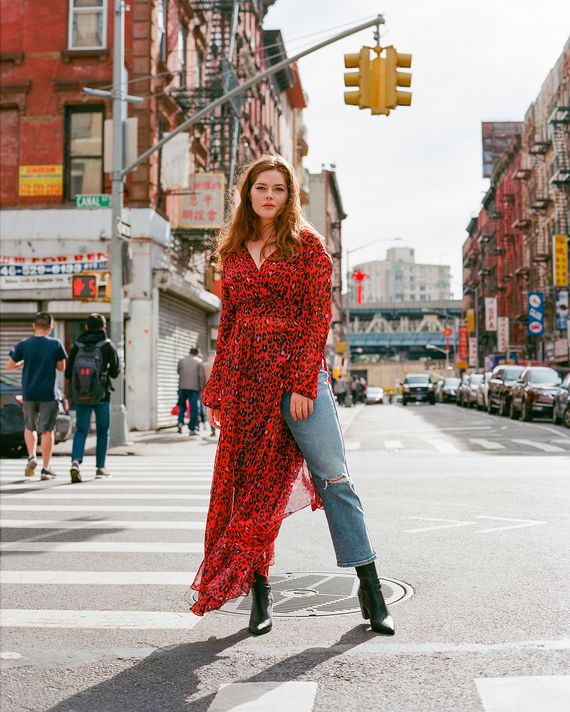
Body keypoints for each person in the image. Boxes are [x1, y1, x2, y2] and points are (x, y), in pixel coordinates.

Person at [191, 155, 394, 637]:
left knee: (333, 477)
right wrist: (217, 388)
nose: (268, 195)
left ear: (289, 196)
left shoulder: (308, 246)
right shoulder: (236, 249)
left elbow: (316, 317)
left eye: (278, 189)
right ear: (247, 194)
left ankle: (371, 587)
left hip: (295, 376)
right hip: (244, 381)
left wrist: (303, 383)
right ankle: (260, 593)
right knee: (251, 490)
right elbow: (231, 321)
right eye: (261, 187)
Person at [6, 312, 67, 480]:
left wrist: (22, 363)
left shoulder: (24, 344)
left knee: (29, 426)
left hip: (29, 392)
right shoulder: (56, 344)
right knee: (47, 430)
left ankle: (32, 457)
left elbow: (8, 366)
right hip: (48, 393)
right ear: (50, 328)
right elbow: (62, 368)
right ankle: (46, 468)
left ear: (34, 326)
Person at [65, 313, 120, 483]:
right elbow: (115, 372)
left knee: (81, 429)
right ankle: (100, 468)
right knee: (103, 430)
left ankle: (75, 462)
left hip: (81, 394)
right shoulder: (107, 345)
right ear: (104, 327)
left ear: (86, 327)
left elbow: (68, 372)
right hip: (102, 394)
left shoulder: (77, 345)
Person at [176, 347, 205, 436]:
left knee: (181, 406)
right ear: (197, 353)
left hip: (182, 387)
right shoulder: (199, 362)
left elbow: (178, 371)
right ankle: (192, 429)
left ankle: (180, 423)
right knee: (194, 409)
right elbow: (201, 377)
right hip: (193, 388)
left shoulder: (181, 360)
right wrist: (202, 389)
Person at [202, 349, 217, 437]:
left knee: (207, 409)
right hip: (216, 389)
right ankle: (215, 428)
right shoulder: (217, 364)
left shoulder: (203, 365)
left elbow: (201, 377)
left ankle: (211, 428)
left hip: (206, 389)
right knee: (215, 409)